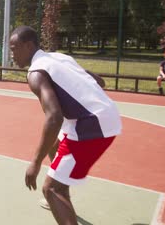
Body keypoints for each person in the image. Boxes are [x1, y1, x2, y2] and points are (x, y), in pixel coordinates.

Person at [9, 26, 122, 224]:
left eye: (14, 48)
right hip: (102, 115)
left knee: (50, 189)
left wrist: (35, 163)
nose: (12, 54)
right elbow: (99, 82)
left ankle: (59, 190)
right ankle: (63, 189)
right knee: (55, 145)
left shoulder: (35, 73)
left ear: (28, 46)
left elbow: (54, 117)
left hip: (90, 125)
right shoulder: (59, 57)